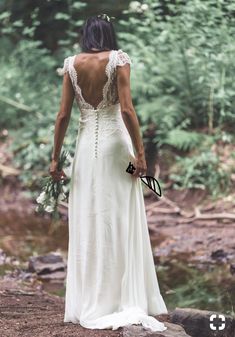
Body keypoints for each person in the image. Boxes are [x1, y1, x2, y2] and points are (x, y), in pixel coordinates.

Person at [49, 14, 168, 332]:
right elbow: (127, 109)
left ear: (85, 34)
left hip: (85, 152)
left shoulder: (71, 64)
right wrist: (141, 154)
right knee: (119, 214)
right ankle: (122, 296)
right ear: (109, 33)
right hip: (118, 150)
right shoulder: (119, 59)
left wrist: (55, 159)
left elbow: (62, 116)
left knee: (89, 215)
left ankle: (93, 298)